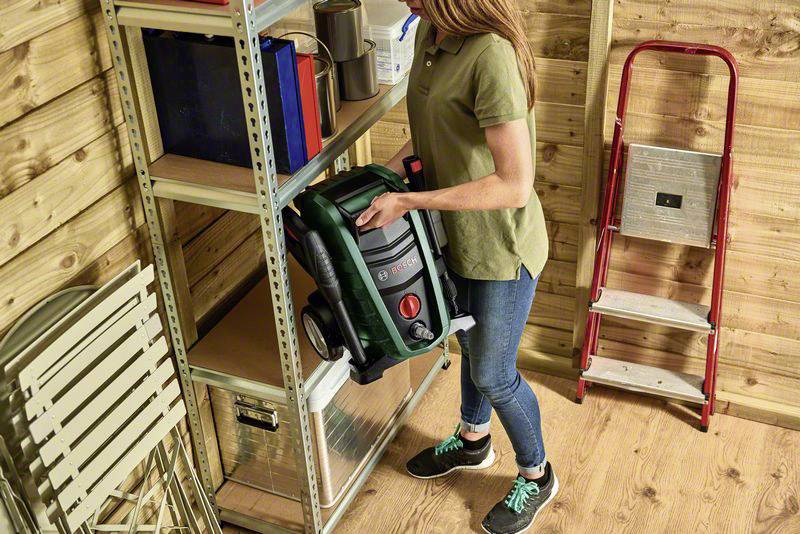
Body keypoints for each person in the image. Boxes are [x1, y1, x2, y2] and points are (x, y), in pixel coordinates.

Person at [355, 0, 557, 532]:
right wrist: (379, 179)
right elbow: (429, 141)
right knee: (467, 342)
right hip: (452, 238)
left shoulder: (491, 54)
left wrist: (408, 203)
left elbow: (515, 185)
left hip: (499, 249)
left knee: (493, 371)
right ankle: (473, 440)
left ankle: (537, 475)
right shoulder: (430, 33)